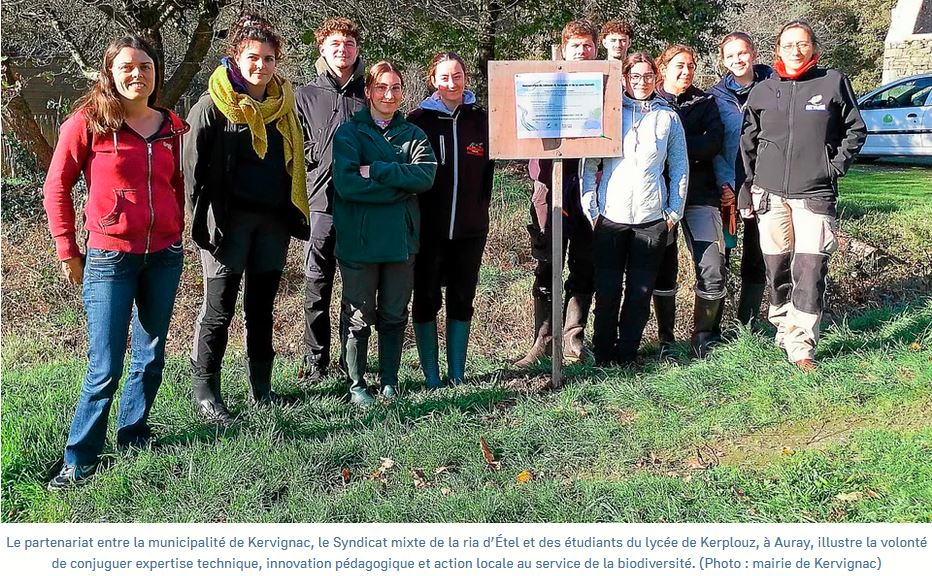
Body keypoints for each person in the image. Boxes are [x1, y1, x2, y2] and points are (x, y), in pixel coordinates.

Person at [43, 35, 189, 489]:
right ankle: (80, 457)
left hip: (163, 256)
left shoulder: (171, 126)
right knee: (105, 365)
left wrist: (176, 226)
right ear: (110, 72)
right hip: (109, 258)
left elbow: (177, 183)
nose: (137, 74)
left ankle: (134, 433)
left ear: (155, 74)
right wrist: (68, 249)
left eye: (145, 66)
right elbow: (56, 188)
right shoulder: (87, 123)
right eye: (126, 66)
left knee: (150, 356)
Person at [184, 12, 309, 423]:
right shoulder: (210, 107)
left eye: (269, 59)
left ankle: (262, 390)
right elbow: (191, 174)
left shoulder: (282, 105)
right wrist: (200, 225)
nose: (261, 66)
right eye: (253, 57)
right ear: (235, 57)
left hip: (271, 222)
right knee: (219, 308)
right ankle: (206, 391)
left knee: (262, 307)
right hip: (226, 226)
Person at [740, 20, 866, 370]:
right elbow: (747, 143)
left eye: (803, 44)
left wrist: (832, 167)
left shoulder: (833, 83)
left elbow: (855, 130)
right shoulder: (763, 90)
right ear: (777, 50)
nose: (795, 51)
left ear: (815, 49)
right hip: (769, 195)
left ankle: (802, 346)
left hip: (814, 194)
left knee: (810, 268)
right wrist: (747, 187)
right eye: (788, 44)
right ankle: (783, 325)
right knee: (777, 267)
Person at [332, 61, 437, 406]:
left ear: (402, 92)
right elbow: (347, 185)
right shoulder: (349, 134)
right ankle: (357, 385)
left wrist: (377, 170)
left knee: (394, 313)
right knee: (359, 316)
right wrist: (399, 186)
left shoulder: (413, 135)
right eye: (381, 87)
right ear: (368, 92)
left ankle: (389, 380)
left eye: (395, 88)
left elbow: (423, 178)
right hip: (358, 243)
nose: (388, 94)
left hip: (401, 242)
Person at [582, 52, 688, 366]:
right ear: (625, 79)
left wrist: (673, 212)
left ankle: (627, 354)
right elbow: (589, 166)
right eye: (635, 76)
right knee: (608, 289)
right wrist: (593, 210)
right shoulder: (608, 114)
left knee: (640, 292)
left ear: (656, 78)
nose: (641, 82)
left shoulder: (668, 117)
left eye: (648, 76)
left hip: (652, 219)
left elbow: (679, 166)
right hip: (610, 218)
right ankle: (603, 354)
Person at [514, 19, 599, 368]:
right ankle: (542, 343)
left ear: (596, 49)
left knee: (585, 269)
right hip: (548, 192)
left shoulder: (605, 89)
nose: (582, 51)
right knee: (547, 269)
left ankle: (573, 342)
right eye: (575, 45)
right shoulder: (541, 83)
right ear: (564, 49)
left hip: (591, 192)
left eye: (587, 45)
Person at [407, 52, 494, 388]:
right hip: (429, 230)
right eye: (444, 77)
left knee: (462, 296)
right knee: (426, 296)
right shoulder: (418, 121)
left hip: (471, 229)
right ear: (433, 81)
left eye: (457, 76)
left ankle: (456, 371)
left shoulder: (481, 120)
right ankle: (431, 374)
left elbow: (487, 174)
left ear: (465, 78)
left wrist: (479, 210)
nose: (452, 83)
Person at [294, 17, 367, 384]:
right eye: (336, 43)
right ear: (322, 49)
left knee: (355, 289)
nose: (343, 49)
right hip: (319, 204)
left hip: (359, 208)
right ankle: (315, 363)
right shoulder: (303, 96)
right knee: (316, 285)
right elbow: (292, 147)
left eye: (350, 43)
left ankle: (352, 364)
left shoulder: (368, 96)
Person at [652, 44, 727, 358]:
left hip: (700, 195)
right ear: (664, 68)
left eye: (691, 66)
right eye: (679, 66)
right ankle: (666, 340)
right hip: (659, 198)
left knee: (713, 266)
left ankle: (704, 337)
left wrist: (671, 144)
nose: (686, 71)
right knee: (662, 270)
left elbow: (713, 142)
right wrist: (688, 145)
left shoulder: (705, 101)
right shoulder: (650, 101)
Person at [709, 32, 773, 327]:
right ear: (723, 60)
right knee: (722, 256)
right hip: (730, 188)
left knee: (757, 256)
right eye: (731, 55)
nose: (738, 59)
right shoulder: (716, 97)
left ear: (754, 54)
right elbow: (717, 145)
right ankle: (713, 328)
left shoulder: (775, 87)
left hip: (766, 186)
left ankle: (747, 323)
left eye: (742, 53)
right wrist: (725, 185)